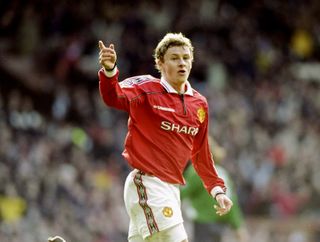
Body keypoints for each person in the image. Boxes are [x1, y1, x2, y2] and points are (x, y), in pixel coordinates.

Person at [98, 32, 233, 242]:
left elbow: (201, 153)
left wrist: (218, 191)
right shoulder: (146, 88)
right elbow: (113, 97)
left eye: (186, 58)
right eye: (174, 57)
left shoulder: (199, 104)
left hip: (172, 189)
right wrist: (109, 71)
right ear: (160, 63)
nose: (182, 63)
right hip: (147, 183)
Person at [181, 137, 249, 242]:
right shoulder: (223, 173)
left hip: (203, 223)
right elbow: (232, 201)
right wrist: (238, 227)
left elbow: (180, 194)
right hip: (221, 225)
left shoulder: (196, 171)